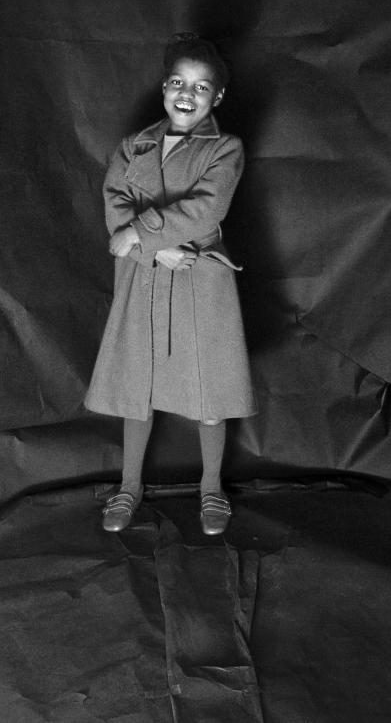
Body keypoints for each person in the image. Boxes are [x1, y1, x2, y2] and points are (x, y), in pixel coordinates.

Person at [85, 32, 257, 535]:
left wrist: (140, 235)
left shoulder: (225, 148)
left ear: (217, 98)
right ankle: (129, 486)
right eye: (179, 82)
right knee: (137, 382)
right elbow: (115, 200)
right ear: (164, 87)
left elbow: (206, 209)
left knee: (210, 388)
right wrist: (154, 247)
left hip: (199, 276)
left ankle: (211, 489)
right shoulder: (133, 145)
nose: (187, 94)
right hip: (145, 276)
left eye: (201, 88)